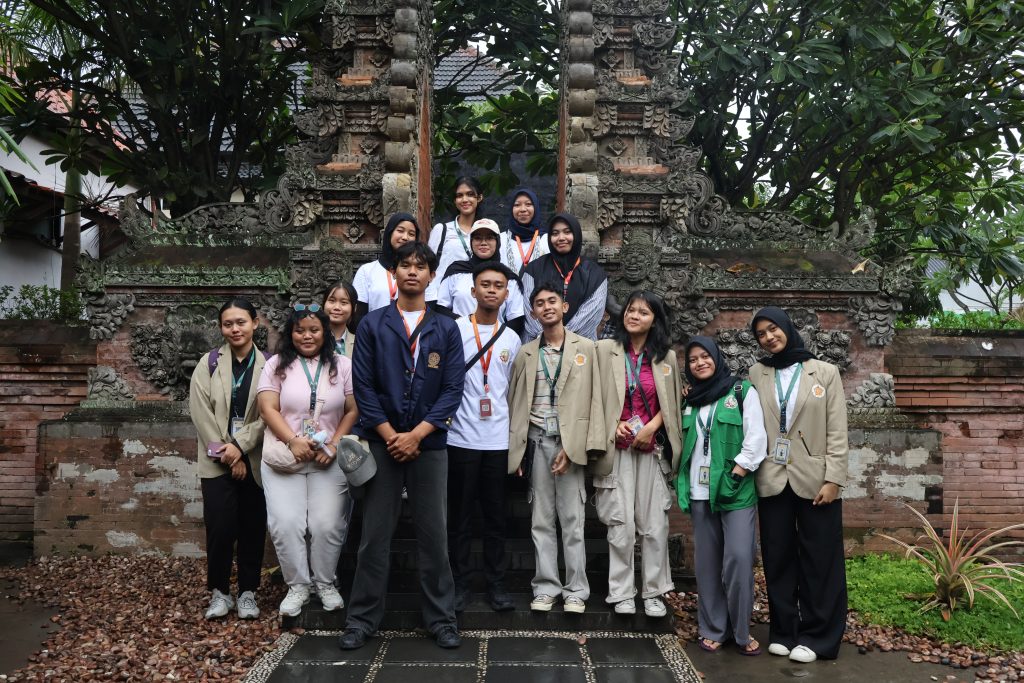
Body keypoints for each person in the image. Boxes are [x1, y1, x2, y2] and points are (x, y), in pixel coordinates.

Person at [341, 241, 466, 651]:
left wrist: (418, 434)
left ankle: (442, 618)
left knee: (434, 534)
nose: (412, 271)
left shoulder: (446, 327)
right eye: (405, 265)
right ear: (393, 274)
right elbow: (364, 386)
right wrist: (391, 434)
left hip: (429, 445)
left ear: (431, 275)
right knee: (374, 535)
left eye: (420, 266)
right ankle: (361, 619)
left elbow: (452, 389)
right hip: (382, 443)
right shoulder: (374, 325)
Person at [748, 306, 849, 663]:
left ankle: (820, 636)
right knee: (777, 557)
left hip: (815, 480)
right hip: (772, 478)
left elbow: (837, 430)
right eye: (761, 334)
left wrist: (835, 478)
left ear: (788, 328)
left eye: (773, 329)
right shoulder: (756, 373)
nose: (769, 337)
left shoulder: (824, 372)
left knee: (820, 558)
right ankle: (784, 630)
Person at [508, 282, 603, 614]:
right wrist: (517, 451)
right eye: (539, 303)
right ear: (533, 313)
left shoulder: (587, 349)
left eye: (552, 301)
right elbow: (516, 403)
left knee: (573, 519)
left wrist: (578, 446)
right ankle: (546, 586)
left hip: (570, 445)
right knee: (541, 520)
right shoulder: (525, 353)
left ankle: (576, 589)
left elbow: (595, 402)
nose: (546, 307)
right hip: (536, 442)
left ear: (564, 307)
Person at [256, 304, 357, 617]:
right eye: (300, 330)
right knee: (286, 523)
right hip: (285, 457)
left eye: (314, 329)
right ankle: (298, 586)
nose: (307, 336)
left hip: (327, 458)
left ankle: (325, 582)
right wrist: (292, 440)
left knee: (326, 524)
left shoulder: (342, 365)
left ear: (325, 332)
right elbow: (267, 407)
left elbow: (353, 409)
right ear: (290, 333)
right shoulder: (276, 365)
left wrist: (335, 444)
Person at [593, 291, 682, 618]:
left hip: (649, 448)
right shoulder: (604, 351)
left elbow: (672, 403)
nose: (635, 316)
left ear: (654, 319)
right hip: (616, 449)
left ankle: (655, 592)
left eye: (643, 312)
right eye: (631, 310)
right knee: (621, 523)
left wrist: (651, 427)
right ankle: (621, 591)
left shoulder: (666, 357)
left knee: (654, 524)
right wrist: (613, 424)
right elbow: (593, 397)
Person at [677, 336, 767, 655]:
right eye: (693, 359)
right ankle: (713, 627)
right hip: (700, 493)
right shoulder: (688, 400)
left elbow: (756, 437)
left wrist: (738, 472)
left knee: (740, 559)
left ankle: (741, 630)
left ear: (716, 358)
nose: (700, 363)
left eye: (705, 356)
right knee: (707, 563)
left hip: (734, 490)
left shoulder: (741, 391)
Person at [447, 261, 522, 613]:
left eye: (498, 285)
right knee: (459, 518)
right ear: (473, 291)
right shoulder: (455, 330)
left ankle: (496, 584)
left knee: (496, 519)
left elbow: (513, 393)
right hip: (459, 438)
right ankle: (459, 584)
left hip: (497, 441)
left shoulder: (512, 339)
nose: (491, 290)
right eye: (485, 284)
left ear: (507, 294)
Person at [189, 298, 269, 620]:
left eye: (241, 322)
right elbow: (200, 413)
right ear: (221, 327)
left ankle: (248, 591)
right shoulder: (207, 363)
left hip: (255, 459)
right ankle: (220, 592)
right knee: (220, 527)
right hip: (216, 462)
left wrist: (240, 445)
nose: (235, 329)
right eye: (228, 323)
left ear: (255, 323)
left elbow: (270, 413)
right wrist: (227, 454)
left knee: (252, 526)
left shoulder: (271, 365)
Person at [521, 213, 608, 341]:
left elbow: (591, 314)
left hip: (580, 349)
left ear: (576, 235)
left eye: (567, 232)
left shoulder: (595, 273)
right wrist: (547, 338)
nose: (561, 238)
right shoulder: (534, 269)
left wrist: (561, 339)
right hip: (538, 346)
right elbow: (529, 310)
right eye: (555, 233)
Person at [433, 218, 526, 333]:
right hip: (457, 339)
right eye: (477, 238)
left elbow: (516, 319)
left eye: (489, 238)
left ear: (498, 242)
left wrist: (498, 337)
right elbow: (441, 308)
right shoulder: (456, 271)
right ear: (471, 242)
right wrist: (464, 326)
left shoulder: (508, 278)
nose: (483, 242)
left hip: (495, 344)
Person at [353, 212, 419, 315]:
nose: (405, 237)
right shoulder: (366, 271)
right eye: (400, 231)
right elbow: (358, 316)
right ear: (390, 233)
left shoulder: (421, 272)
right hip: (373, 330)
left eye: (411, 234)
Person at [428, 176, 485, 282]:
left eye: (470, 194)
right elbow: (427, 265)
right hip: (439, 294)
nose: (464, 199)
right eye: (459, 196)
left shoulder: (486, 233)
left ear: (479, 197)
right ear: (454, 200)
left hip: (471, 295)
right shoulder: (441, 230)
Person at [501, 187, 549, 274]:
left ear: (536, 207)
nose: (523, 209)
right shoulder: (501, 240)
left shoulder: (546, 240)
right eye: (517, 205)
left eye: (528, 204)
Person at [324, 280, 357, 358]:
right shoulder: (312, 340)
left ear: (354, 308)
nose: (337, 307)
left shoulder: (360, 343)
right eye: (332, 301)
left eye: (344, 302)